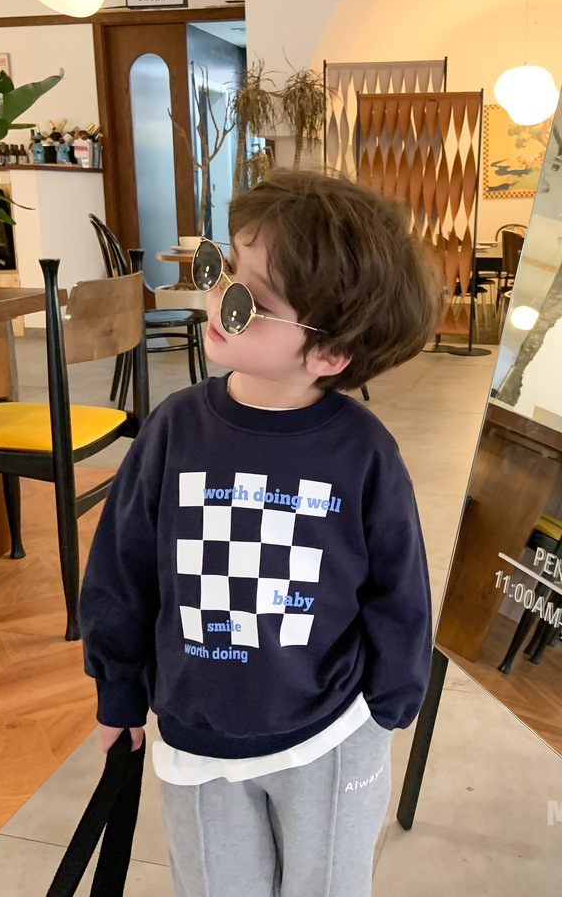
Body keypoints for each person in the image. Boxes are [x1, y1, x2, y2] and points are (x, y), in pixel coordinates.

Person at [80, 168, 442, 897]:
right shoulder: (174, 429)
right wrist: (118, 689)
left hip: (332, 734)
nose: (218, 298)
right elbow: (123, 568)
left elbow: (399, 589)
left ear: (330, 354)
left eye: (250, 300)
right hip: (196, 737)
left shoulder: (365, 454)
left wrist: (390, 703)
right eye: (221, 269)